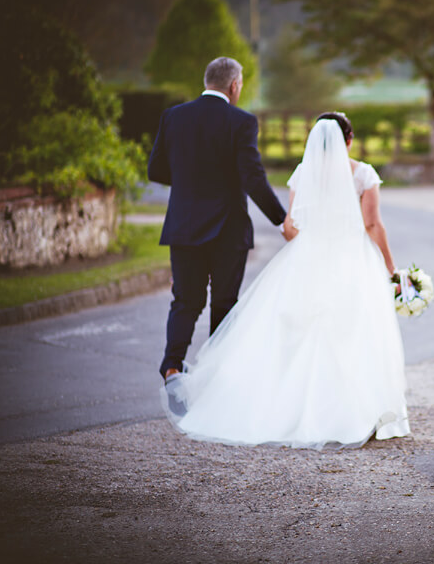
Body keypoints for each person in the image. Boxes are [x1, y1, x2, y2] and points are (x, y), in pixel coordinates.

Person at [161, 112, 410, 448]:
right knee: (352, 331)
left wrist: (312, 244)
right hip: (351, 260)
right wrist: (390, 268)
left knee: (293, 333)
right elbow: (372, 225)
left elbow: (291, 228)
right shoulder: (363, 174)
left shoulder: (302, 174)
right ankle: (352, 409)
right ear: (348, 141)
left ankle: (282, 409)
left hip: (308, 261)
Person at [148, 57, 287, 386]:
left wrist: (188, 182)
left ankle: (172, 366)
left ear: (207, 80)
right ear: (234, 85)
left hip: (183, 225)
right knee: (224, 303)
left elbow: (155, 170)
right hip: (228, 229)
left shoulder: (173, 117)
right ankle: (214, 375)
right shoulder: (241, 122)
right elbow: (252, 178)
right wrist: (282, 221)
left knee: (186, 300)